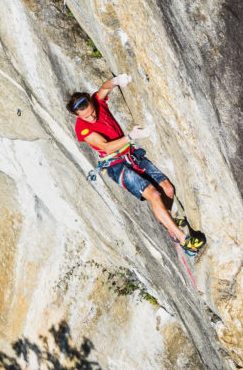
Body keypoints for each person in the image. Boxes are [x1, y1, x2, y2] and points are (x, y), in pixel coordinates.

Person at [68, 74, 206, 255]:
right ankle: (183, 239)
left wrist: (116, 81)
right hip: (117, 166)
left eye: (93, 112)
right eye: (86, 116)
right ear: (77, 116)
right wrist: (131, 137)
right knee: (154, 195)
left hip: (131, 156)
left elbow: (104, 88)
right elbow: (106, 147)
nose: (92, 117)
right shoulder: (82, 128)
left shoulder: (96, 102)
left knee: (168, 190)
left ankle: (168, 220)